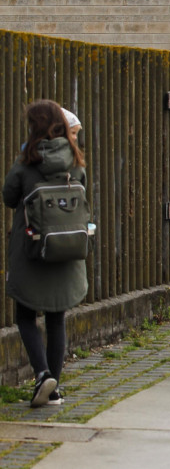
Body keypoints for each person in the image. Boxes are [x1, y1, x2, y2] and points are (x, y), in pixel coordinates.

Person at [2, 100, 88, 407]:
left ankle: (41, 374)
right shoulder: (76, 162)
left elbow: (9, 196)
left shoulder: (26, 163)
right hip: (66, 252)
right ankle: (54, 390)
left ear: (34, 128)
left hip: (32, 250)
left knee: (25, 316)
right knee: (56, 318)